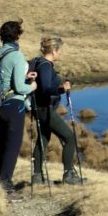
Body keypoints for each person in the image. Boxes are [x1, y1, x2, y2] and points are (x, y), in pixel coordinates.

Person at [0, 19, 36, 200]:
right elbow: (19, 87)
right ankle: (6, 185)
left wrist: (24, 75)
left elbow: (5, 77)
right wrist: (32, 86)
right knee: (12, 146)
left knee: (1, 144)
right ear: (17, 35)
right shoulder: (16, 55)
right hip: (13, 105)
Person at [30, 36, 84, 185]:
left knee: (43, 140)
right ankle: (68, 175)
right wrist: (62, 88)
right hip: (44, 109)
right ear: (54, 51)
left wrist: (59, 89)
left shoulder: (38, 62)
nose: (61, 54)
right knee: (69, 137)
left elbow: (43, 87)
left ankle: (37, 176)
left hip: (39, 108)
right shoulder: (46, 66)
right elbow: (46, 88)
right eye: (60, 51)